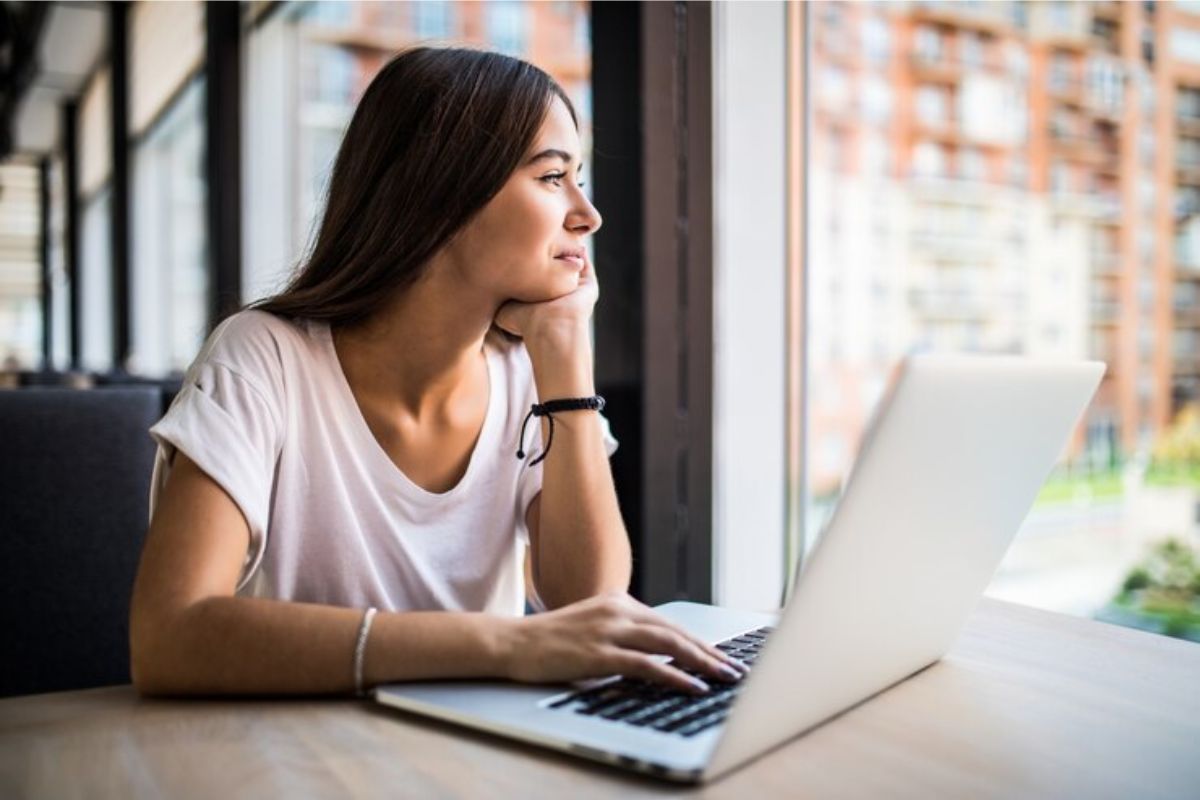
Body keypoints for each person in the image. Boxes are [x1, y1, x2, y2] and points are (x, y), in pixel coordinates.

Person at [129, 47, 747, 698]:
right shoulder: (265, 357)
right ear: (444, 192)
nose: (587, 215)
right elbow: (170, 634)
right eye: (551, 177)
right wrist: (507, 644)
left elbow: (591, 605)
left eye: (579, 178)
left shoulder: (529, 371)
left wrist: (564, 350)